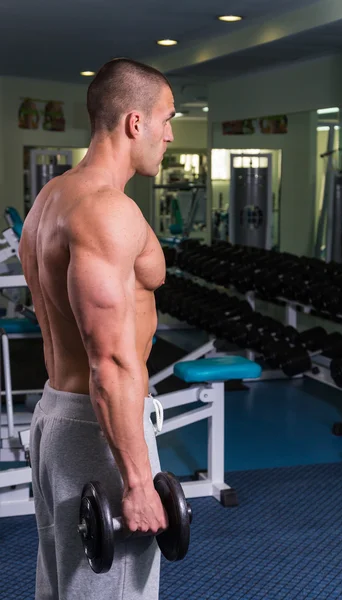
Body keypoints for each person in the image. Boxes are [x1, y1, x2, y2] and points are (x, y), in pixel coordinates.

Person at [19, 57, 176, 600]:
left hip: (58, 415)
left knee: (64, 583)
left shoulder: (51, 201)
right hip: (99, 425)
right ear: (136, 123)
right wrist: (136, 481)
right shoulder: (106, 212)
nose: (170, 134)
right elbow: (106, 357)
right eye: (167, 119)